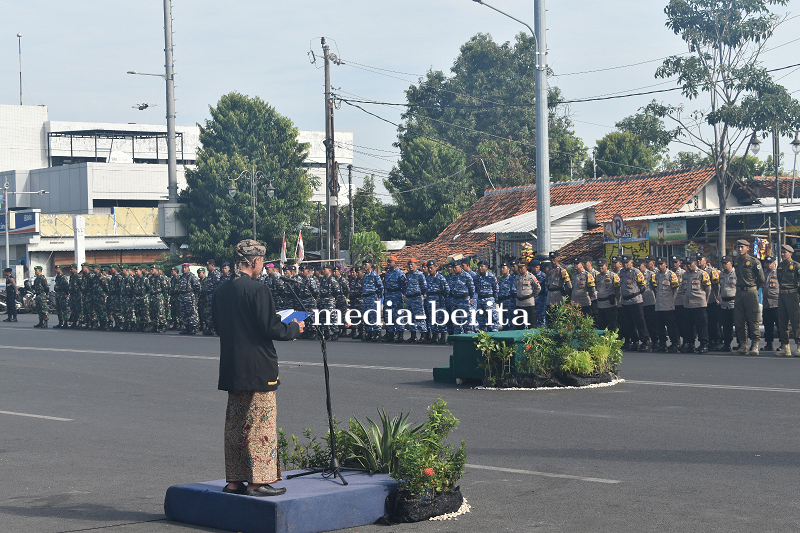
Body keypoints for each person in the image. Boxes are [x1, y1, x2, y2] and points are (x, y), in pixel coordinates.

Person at [214, 239, 304, 497]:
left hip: (232, 367)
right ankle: (257, 482)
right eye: (262, 262)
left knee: (236, 424)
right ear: (254, 262)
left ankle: (234, 481)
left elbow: (218, 326)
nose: (262, 267)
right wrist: (294, 328)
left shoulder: (222, 290)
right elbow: (271, 328)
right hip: (257, 368)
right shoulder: (257, 290)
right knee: (260, 425)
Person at [733, 239, 764, 355]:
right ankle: (743, 345)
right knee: (739, 320)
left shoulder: (754, 262)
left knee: (753, 319)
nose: (739, 249)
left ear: (748, 248)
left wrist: (754, 288)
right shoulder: (736, 262)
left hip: (751, 292)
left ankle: (755, 345)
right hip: (739, 293)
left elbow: (761, 279)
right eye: (738, 247)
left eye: (742, 247)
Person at [619, 255, 651, 351]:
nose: (625, 264)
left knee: (640, 322)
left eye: (627, 263)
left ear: (631, 263)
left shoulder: (636, 272)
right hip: (625, 301)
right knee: (629, 323)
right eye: (623, 263)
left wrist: (635, 294)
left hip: (635, 301)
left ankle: (645, 341)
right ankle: (635, 341)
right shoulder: (621, 272)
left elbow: (643, 286)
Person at [682, 257, 711, 353]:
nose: (688, 266)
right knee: (688, 326)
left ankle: (704, 344)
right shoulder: (685, 274)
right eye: (687, 264)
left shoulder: (702, 274)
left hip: (699, 303)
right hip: (688, 304)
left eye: (690, 263)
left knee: (702, 326)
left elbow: (708, 289)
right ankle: (690, 344)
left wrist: (704, 301)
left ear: (695, 263)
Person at [775, 244, 800, 356]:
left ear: (791, 253)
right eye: (782, 252)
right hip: (782, 295)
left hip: (793, 295)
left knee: (796, 322)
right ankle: (785, 347)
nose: (783, 254)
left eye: (785, 252)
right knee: (782, 321)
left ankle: (799, 345)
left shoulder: (796, 266)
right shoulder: (779, 266)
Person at [653, 257, 680, 353]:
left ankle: (674, 343)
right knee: (659, 326)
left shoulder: (671, 275)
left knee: (671, 326)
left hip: (668, 305)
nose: (660, 266)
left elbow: (676, 289)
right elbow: (654, 288)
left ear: (666, 264)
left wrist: (673, 301)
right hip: (659, 305)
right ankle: (662, 343)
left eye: (662, 264)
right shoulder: (656, 275)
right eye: (658, 264)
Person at [447, 261, 475, 335]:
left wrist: (471, 298)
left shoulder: (467, 276)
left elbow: (471, 289)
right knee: (456, 321)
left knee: (467, 320)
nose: (454, 269)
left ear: (460, 267)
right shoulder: (453, 277)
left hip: (464, 300)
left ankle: (468, 337)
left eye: (455, 267)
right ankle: (458, 336)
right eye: (453, 268)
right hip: (455, 300)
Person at [424, 260, 449, 344]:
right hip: (430, 301)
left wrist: (443, 298)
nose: (430, 270)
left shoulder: (440, 278)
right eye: (429, 268)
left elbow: (447, 290)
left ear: (435, 267)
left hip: (439, 301)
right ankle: (435, 335)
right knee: (432, 319)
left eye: (431, 268)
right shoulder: (427, 278)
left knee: (441, 318)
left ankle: (443, 336)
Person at [404, 258, 428, 342]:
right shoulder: (408, 275)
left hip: (417, 298)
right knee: (410, 317)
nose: (410, 266)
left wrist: (423, 294)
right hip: (410, 298)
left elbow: (424, 286)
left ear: (416, 265)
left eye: (412, 264)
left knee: (420, 316)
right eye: (409, 265)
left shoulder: (420, 275)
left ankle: (423, 335)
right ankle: (413, 335)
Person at [594, 259, 620, 331]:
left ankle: (615, 340)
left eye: (602, 266)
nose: (600, 268)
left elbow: (618, 289)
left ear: (606, 266)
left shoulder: (613, 275)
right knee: (602, 325)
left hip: (610, 304)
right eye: (599, 266)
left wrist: (617, 299)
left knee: (613, 325)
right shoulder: (597, 276)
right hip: (600, 304)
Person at [360, 259, 383, 342]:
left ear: (370, 264)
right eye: (364, 264)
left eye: (366, 264)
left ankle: (377, 333)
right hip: (366, 298)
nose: (364, 266)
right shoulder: (365, 276)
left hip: (372, 297)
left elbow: (380, 287)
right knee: (367, 316)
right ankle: (370, 333)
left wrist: (377, 295)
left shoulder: (375, 275)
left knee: (374, 315)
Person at [515, 260, 541, 329]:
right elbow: (516, 287)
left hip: (528, 303)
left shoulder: (530, 277)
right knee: (519, 324)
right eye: (519, 267)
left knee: (531, 324)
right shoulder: (517, 277)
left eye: (521, 267)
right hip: (519, 303)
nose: (520, 269)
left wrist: (532, 296)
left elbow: (538, 288)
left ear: (526, 267)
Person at [718, 256, 736, 352]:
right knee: (726, 325)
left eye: (726, 263)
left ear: (731, 263)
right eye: (723, 263)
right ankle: (727, 344)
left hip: (734, 302)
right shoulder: (721, 274)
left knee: (738, 325)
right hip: (724, 303)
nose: (724, 265)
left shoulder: (736, 273)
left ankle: (741, 344)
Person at [179, 263, 202, 335]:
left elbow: (198, 286)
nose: (184, 269)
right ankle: (187, 327)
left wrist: (193, 293)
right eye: (183, 268)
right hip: (182, 296)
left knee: (191, 312)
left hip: (189, 296)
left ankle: (193, 327)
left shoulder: (191, 276)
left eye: (185, 267)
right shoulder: (181, 277)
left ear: (188, 268)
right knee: (184, 313)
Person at [762, 256, 779, 352]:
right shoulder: (763, 274)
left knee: (779, 325)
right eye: (767, 263)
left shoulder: (778, 273)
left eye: (770, 263)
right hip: (766, 304)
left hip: (776, 303)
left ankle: (783, 344)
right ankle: (769, 344)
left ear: (774, 263)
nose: (769, 265)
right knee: (768, 326)